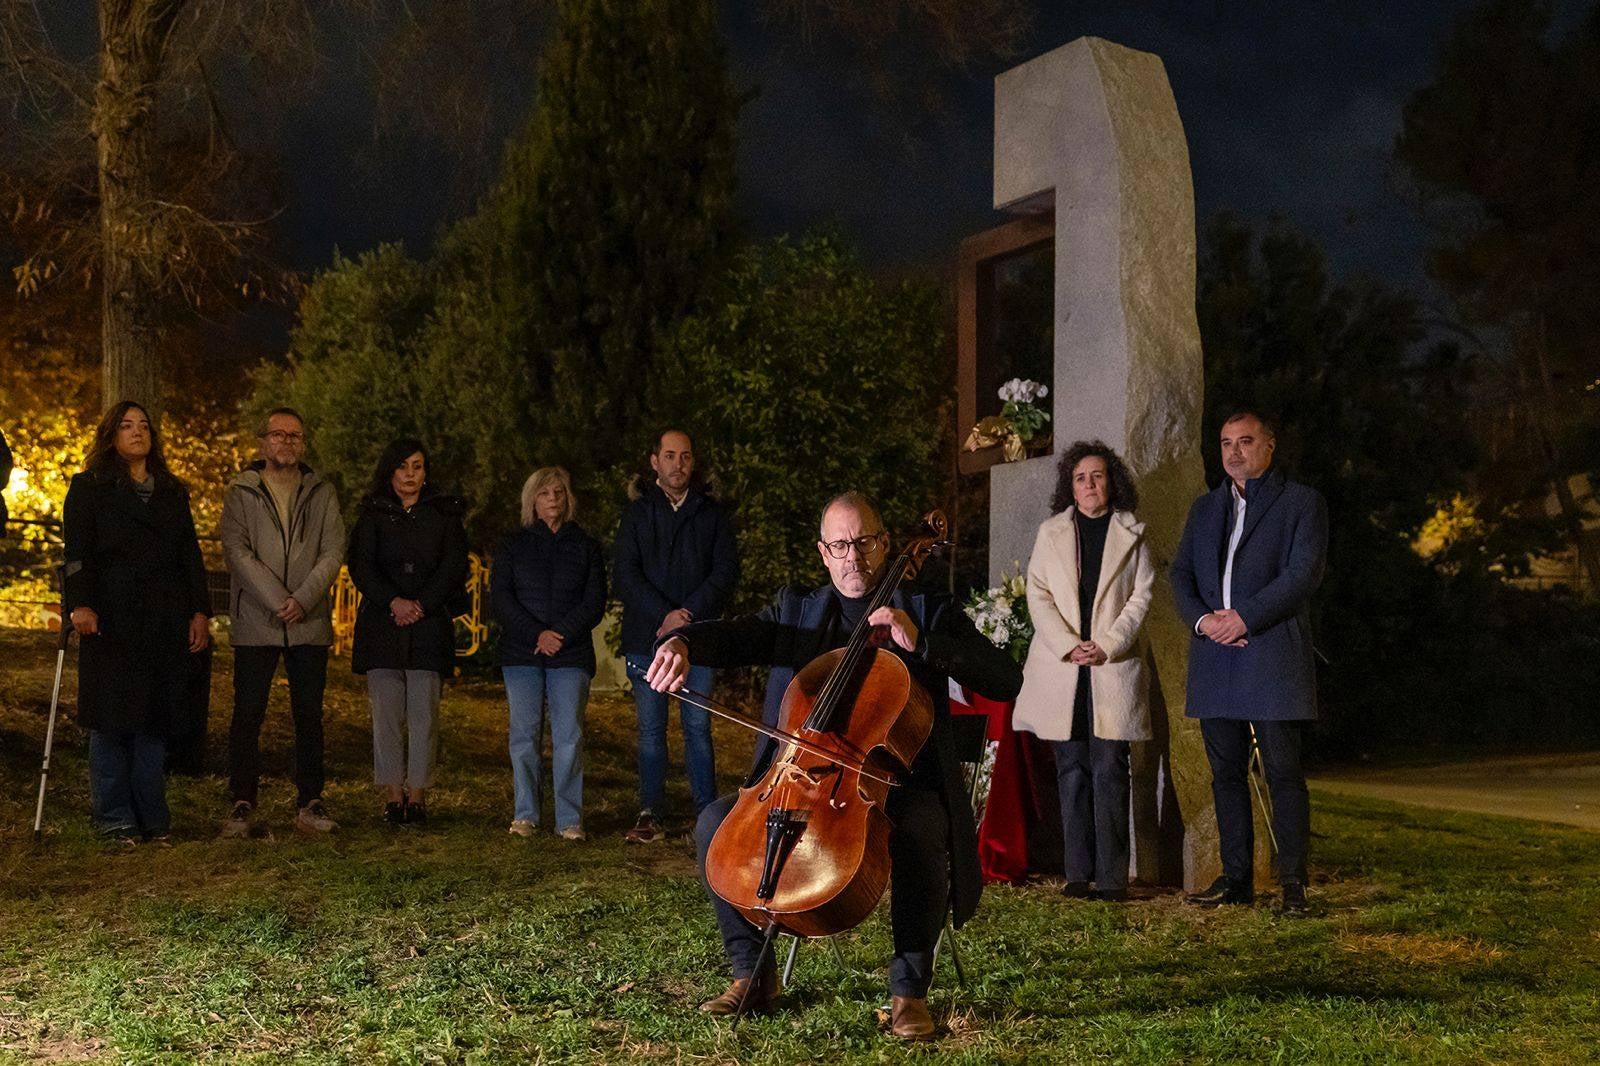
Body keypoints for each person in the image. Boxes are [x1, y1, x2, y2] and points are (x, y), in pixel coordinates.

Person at [644, 491, 1022, 1040]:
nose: (853, 557)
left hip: (901, 783)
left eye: (864, 542)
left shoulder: (926, 609)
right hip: (803, 783)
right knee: (713, 824)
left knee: (921, 827)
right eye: (840, 545)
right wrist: (684, 642)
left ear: (885, 543)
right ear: (823, 552)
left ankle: (908, 992)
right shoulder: (798, 612)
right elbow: (738, 634)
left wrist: (923, 643)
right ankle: (753, 972)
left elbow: (1004, 679)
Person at [1170, 410, 1328, 915]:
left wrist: (1244, 618)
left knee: (1282, 772)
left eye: (1245, 441)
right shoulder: (1204, 509)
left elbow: (1302, 574)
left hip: (1271, 652)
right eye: (1225, 443)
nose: (1234, 451)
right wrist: (1203, 622)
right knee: (1226, 774)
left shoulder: (1302, 503)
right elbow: (1181, 575)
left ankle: (1293, 885)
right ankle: (1237, 880)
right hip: (1216, 656)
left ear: (1269, 445)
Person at [63, 401, 212, 843]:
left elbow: (190, 554)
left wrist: (199, 610)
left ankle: (152, 816)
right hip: (111, 617)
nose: (137, 432)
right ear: (111, 436)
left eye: (143, 425)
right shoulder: (89, 488)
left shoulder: (171, 490)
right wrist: (80, 605)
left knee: (154, 716)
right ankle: (114, 817)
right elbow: (77, 554)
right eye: (126, 426)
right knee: (111, 718)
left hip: (163, 618)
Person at [1013, 441, 1154, 902]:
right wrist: (1071, 647)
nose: (1089, 484)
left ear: (1111, 480)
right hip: (1065, 668)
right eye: (1080, 477)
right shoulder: (1050, 532)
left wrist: (1107, 646)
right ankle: (1078, 874)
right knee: (1071, 768)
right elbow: (1038, 595)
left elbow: (1141, 597)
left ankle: (1112, 879)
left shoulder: (1132, 531)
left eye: (1097, 475)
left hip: (1111, 666)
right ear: (1069, 487)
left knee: (1111, 766)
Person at [218, 407, 346, 838]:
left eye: (295, 436)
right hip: (257, 620)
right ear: (263, 442)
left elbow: (333, 551)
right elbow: (236, 551)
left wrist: (303, 599)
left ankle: (310, 801)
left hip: (308, 624)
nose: (287, 443)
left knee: (308, 714)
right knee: (248, 713)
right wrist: (278, 600)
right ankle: (242, 801)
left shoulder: (322, 492)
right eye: (279, 435)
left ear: (303, 444)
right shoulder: (241, 491)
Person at [614, 428, 738, 843]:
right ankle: (651, 812)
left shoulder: (711, 515)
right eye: (669, 456)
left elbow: (723, 574)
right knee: (650, 729)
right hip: (645, 638)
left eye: (685, 456)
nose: (678, 465)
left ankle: (706, 814)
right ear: (654, 462)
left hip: (698, 638)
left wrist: (684, 616)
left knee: (697, 726)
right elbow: (625, 575)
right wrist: (663, 615)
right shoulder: (636, 515)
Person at [347, 439, 469, 826]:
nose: (411, 475)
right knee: (385, 715)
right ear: (390, 471)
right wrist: (393, 602)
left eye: (417, 466)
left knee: (423, 715)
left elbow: (453, 565)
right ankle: (392, 795)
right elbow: (361, 565)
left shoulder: (444, 514)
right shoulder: (372, 513)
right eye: (403, 467)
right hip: (383, 625)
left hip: (428, 625)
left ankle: (417, 795)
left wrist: (422, 605)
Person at [491, 466, 606, 841]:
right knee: (524, 735)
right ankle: (525, 814)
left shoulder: (586, 546)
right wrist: (536, 634)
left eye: (558, 492)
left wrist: (560, 634)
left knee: (568, 736)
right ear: (532, 501)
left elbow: (594, 601)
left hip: (570, 654)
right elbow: (502, 598)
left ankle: (569, 820)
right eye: (544, 493)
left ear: (568, 498)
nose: (552, 499)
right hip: (522, 652)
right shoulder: (513, 545)